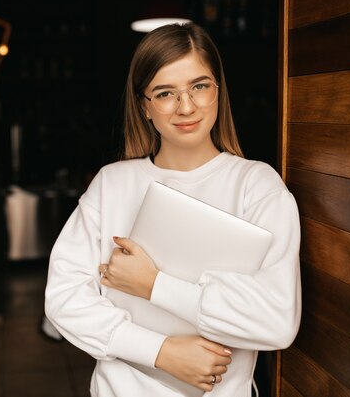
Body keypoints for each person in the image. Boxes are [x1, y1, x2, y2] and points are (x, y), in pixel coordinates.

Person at [44, 22, 301, 397]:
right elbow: (64, 299)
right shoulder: (112, 184)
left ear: (218, 91)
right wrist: (160, 352)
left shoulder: (257, 187)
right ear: (144, 106)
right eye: (165, 93)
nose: (186, 106)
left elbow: (277, 322)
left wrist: (153, 285)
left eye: (199, 86)